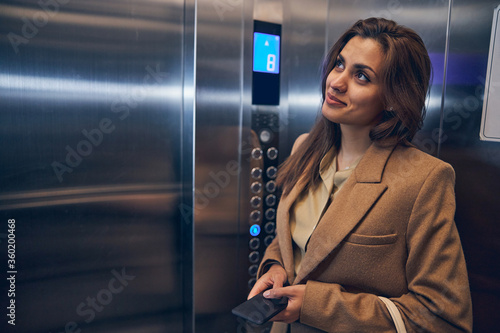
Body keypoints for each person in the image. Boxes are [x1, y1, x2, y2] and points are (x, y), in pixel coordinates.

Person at [248, 17, 473, 332]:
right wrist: (274, 267)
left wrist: (315, 305)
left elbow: (442, 315)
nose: (337, 82)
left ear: (394, 98)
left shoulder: (424, 179)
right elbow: (294, 243)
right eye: (339, 64)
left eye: (362, 76)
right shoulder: (305, 148)